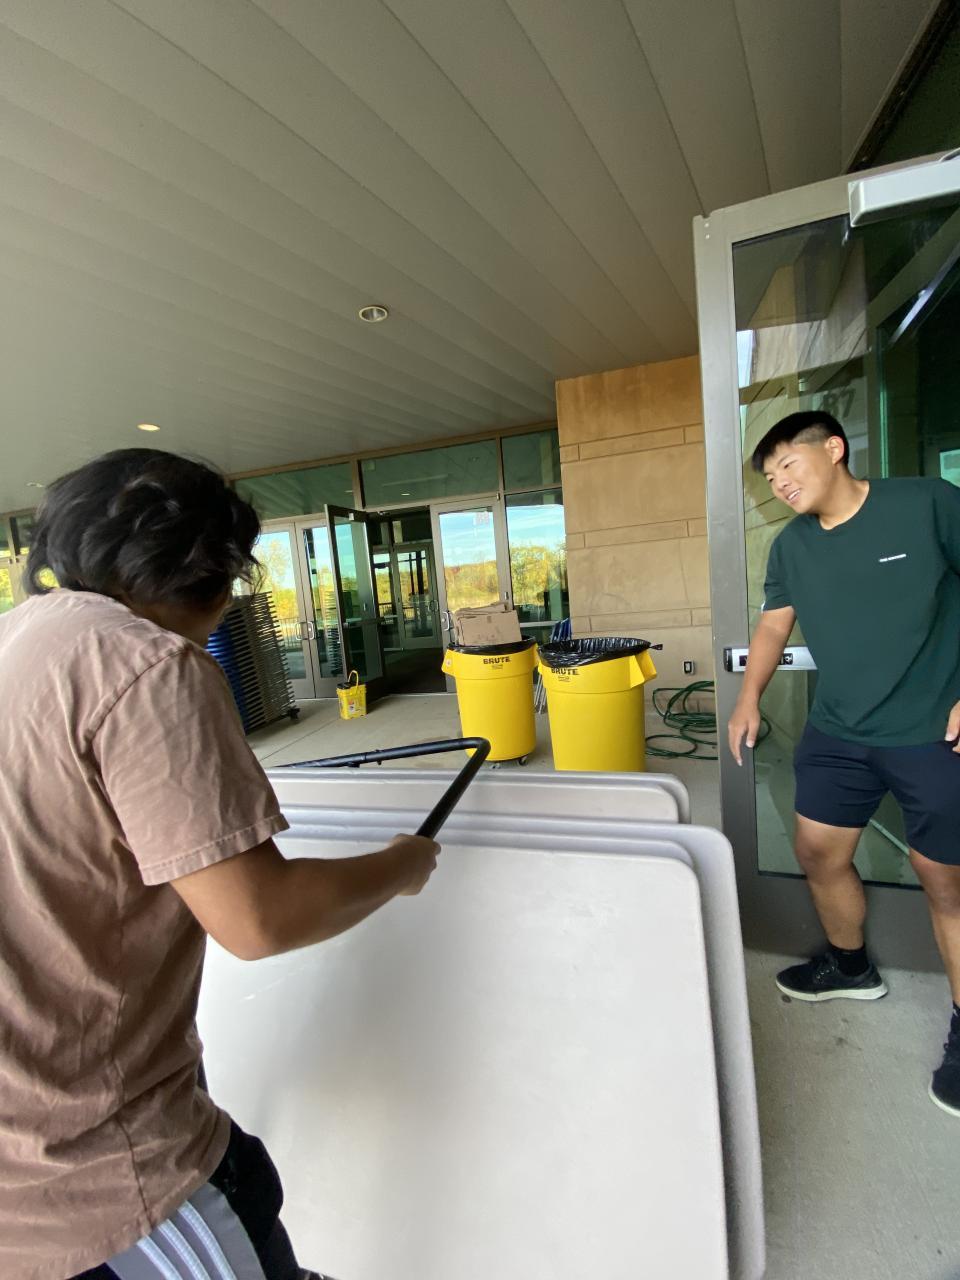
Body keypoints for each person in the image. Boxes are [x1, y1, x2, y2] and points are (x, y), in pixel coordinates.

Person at [0, 449, 441, 1280]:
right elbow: (258, 917)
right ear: (213, 574)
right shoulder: (144, 663)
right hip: (95, 1175)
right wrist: (399, 864)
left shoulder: (17, 641)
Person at [727, 410, 960, 1118]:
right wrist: (748, 698)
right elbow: (775, 624)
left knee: (944, 879)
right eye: (770, 477)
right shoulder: (791, 546)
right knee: (817, 850)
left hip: (932, 728)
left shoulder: (927, 504)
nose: (779, 483)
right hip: (838, 730)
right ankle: (851, 966)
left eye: (787, 465)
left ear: (834, 449)